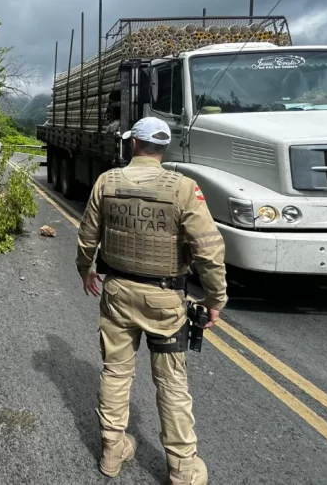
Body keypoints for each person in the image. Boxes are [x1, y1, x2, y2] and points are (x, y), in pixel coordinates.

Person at [76, 116, 228, 484]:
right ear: (164, 147)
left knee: (116, 370)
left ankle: (112, 452)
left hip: (117, 293)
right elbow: (208, 250)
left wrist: (86, 270)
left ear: (133, 144)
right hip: (164, 300)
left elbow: (87, 236)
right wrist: (215, 298)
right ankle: (181, 469)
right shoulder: (183, 188)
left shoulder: (107, 181)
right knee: (172, 383)